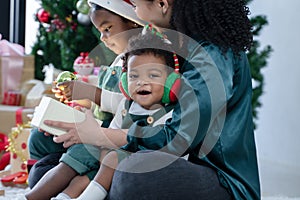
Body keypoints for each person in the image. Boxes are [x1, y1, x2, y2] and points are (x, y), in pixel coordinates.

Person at [41, 0, 261, 199]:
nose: (133, 10)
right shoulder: (173, 44)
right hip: (157, 155)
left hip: (220, 179)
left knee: (133, 176)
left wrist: (102, 135)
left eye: (135, 4)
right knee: (47, 166)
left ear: (162, 4)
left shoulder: (211, 57)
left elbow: (177, 138)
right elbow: (139, 112)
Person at [25, 0, 145, 199]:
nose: (103, 38)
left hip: (112, 136)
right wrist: (79, 106)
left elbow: (129, 105)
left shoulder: (145, 62)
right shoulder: (117, 61)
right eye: (100, 31)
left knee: (78, 162)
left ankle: (39, 193)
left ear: (132, 22)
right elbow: (100, 110)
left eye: (107, 29)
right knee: (39, 137)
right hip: (98, 128)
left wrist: (91, 93)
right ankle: (43, 180)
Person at [61, 27, 182, 200]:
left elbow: (168, 148)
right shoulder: (127, 107)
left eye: (153, 75)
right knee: (81, 179)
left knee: (112, 161)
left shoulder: (170, 115)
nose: (142, 82)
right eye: (133, 76)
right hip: (115, 167)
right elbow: (109, 139)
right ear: (124, 82)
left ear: (171, 81)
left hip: (151, 171)